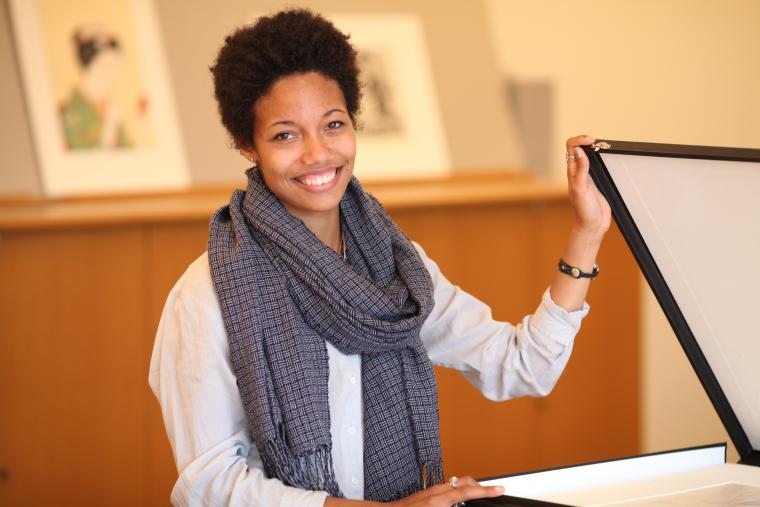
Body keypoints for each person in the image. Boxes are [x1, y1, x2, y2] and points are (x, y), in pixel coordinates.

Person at [148, 8, 611, 507]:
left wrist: (587, 231)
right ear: (247, 145)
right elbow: (210, 486)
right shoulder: (209, 292)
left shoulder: (399, 269)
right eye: (285, 134)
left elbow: (522, 366)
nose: (317, 153)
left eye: (333, 124)